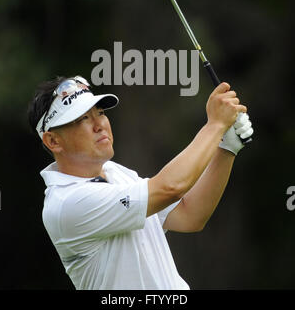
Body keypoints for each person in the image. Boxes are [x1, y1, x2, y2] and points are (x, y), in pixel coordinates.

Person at [27, 74, 253, 290]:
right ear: (53, 141)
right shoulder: (67, 203)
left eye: (100, 112)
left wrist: (226, 147)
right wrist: (214, 126)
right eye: (83, 119)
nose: (99, 124)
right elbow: (170, 188)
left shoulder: (116, 173)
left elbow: (189, 215)